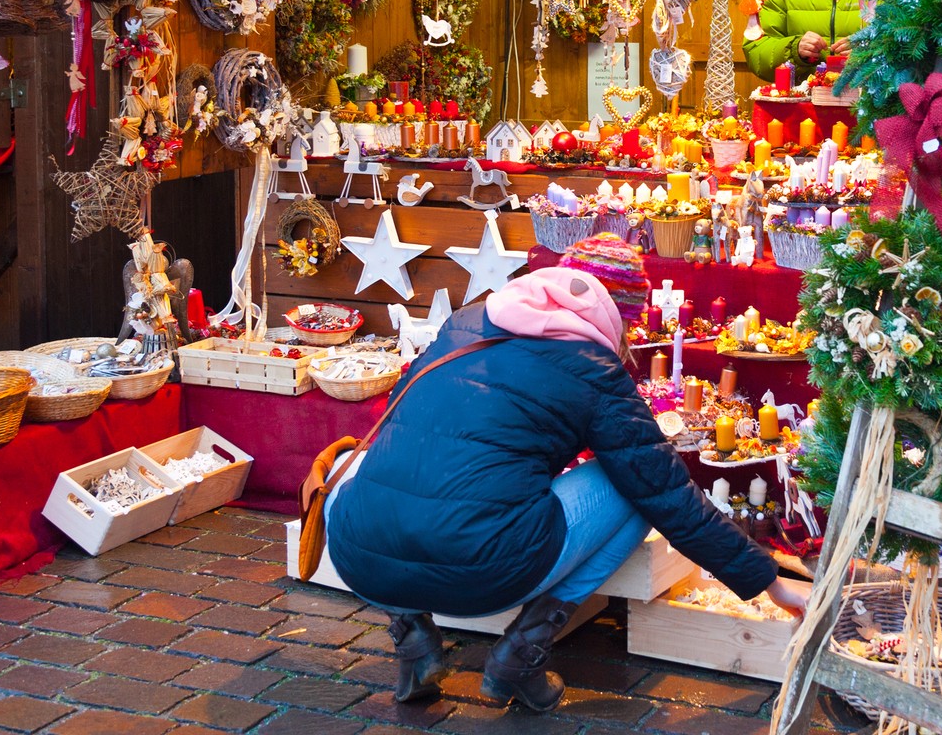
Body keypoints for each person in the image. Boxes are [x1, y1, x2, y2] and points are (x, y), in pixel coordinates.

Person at [326, 249, 810, 713]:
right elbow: (666, 493)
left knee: (357, 467)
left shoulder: (465, 322)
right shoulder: (592, 366)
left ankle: (413, 643)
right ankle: (520, 654)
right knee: (630, 488)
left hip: (361, 558)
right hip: (485, 571)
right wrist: (768, 582)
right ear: (613, 318)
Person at [742, 0, 864, 83]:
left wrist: (872, 52)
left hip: (870, 99)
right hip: (804, 98)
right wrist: (794, 50)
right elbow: (757, 49)